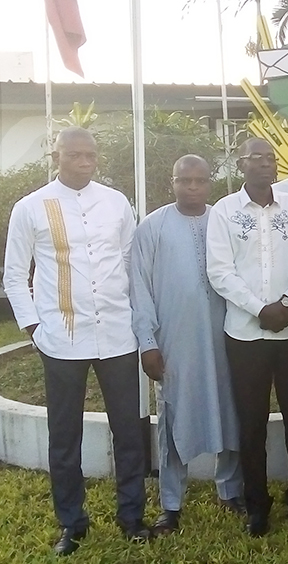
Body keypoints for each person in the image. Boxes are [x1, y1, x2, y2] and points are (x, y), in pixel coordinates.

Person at [2, 127, 150, 555]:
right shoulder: (30, 207)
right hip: (62, 338)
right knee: (63, 434)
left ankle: (131, 515)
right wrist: (33, 327)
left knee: (128, 430)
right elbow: (15, 273)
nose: (85, 161)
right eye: (75, 155)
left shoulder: (116, 202)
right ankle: (72, 521)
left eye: (91, 155)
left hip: (118, 334)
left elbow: (128, 259)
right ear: (57, 156)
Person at [130, 155, 244, 536]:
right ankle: (170, 504)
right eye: (185, 180)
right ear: (172, 182)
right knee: (174, 418)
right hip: (175, 340)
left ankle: (229, 490)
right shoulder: (152, 226)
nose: (192, 187)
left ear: (210, 183)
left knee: (231, 409)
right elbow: (140, 290)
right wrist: (147, 342)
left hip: (226, 335)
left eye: (200, 180)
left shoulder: (223, 219)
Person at [206, 138, 288, 537]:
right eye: (256, 159)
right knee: (251, 423)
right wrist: (259, 308)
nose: (265, 165)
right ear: (241, 163)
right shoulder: (224, 212)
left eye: (270, 159)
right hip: (245, 334)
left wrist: (284, 302)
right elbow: (220, 271)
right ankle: (257, 505)